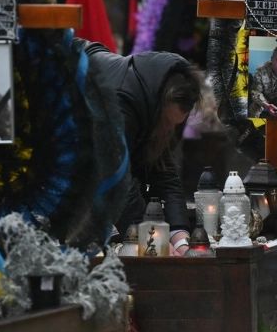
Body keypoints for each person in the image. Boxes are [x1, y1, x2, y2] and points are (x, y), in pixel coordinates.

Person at [82, 40, 205, 257]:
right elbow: (116, 180)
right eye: (168, 123)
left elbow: (165, 172)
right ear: (159, 107)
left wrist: (181, 238)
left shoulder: (156, 97)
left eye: (175, 125)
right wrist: (155, 242)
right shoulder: (121, 102)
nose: (170, 130)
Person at [248, 44, 277, 118]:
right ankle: (254, 128)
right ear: (272, 59)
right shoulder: (261, 71)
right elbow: (256, 92)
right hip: (265, 99)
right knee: (254, 108)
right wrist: (266, 105)